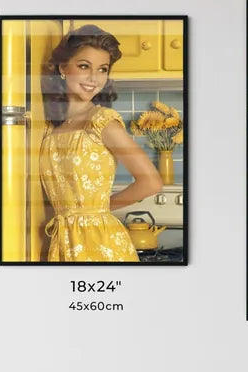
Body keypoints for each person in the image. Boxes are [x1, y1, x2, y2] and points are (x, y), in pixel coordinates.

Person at [39, 24, 163, 261]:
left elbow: (151, 182)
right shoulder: (50, 127)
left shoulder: (102, 122)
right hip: (64, 240)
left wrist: (99, 209)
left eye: (102, 69)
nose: (94, 78)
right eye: (84, 66)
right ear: (63, 68)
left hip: (101, 242)